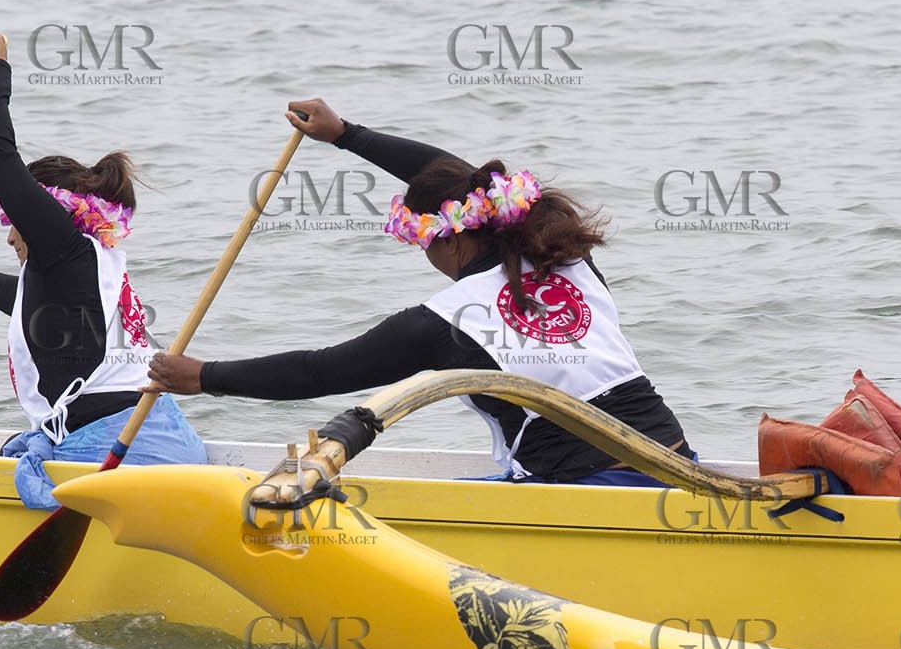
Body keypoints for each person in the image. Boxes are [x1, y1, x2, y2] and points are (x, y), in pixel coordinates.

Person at [144, 98, 691, 485]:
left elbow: (319, 372)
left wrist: (204, 376)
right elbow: (459, 177)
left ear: (449, 238)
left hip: (590, 490)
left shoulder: (443, 323)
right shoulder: (568, 257)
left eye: (420, 241)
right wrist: (346, 134)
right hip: (677, 462)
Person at [0, 31, 206, 507]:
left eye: (13, 222)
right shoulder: (88, 258)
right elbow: (42, 310)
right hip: (162, 438)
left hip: (124, 453)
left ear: (43, 214)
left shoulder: (60, 244)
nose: (10, 236)